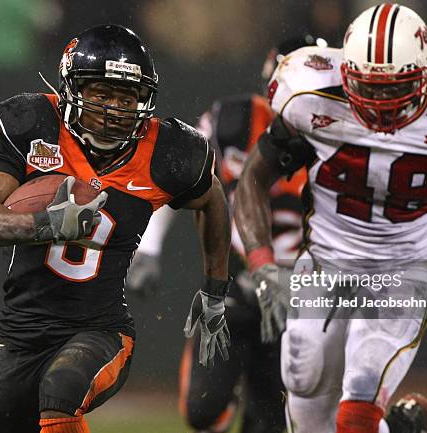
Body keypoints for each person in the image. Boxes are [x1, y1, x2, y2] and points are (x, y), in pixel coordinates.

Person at [234, 4, 427, 433]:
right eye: (367, 87)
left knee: (357, 411)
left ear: (424, 76)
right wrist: (262, 265)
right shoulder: (310, 93)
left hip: (402, 271)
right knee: (307, 396)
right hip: (324, 267)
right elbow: (253, 176)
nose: (378, 102)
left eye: (393, 88)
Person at [0, 24, 232, 433]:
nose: (114, 109)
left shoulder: (168, 151)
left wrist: (214, 292)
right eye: (101, 93)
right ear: (72, 89)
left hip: (100, 330)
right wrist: (45, 224)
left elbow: (212, 199)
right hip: (19, 334)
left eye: (126, 96)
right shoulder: (31, 122)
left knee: (60, 393)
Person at [125, 36, 317, 433]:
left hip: (298, 298)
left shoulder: (337, 136)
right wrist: (148, 249)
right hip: (234, 284)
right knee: (203, 410)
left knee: (273, 422)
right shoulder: (233, 120)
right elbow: (177, 176)